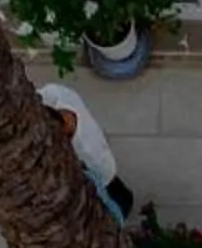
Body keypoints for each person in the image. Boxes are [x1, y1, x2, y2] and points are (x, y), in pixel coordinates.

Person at [37, 81, 135, 220]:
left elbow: (103, 180)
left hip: (104, 177)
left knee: (117, 197)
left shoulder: (91, 154)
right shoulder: (55, 94)